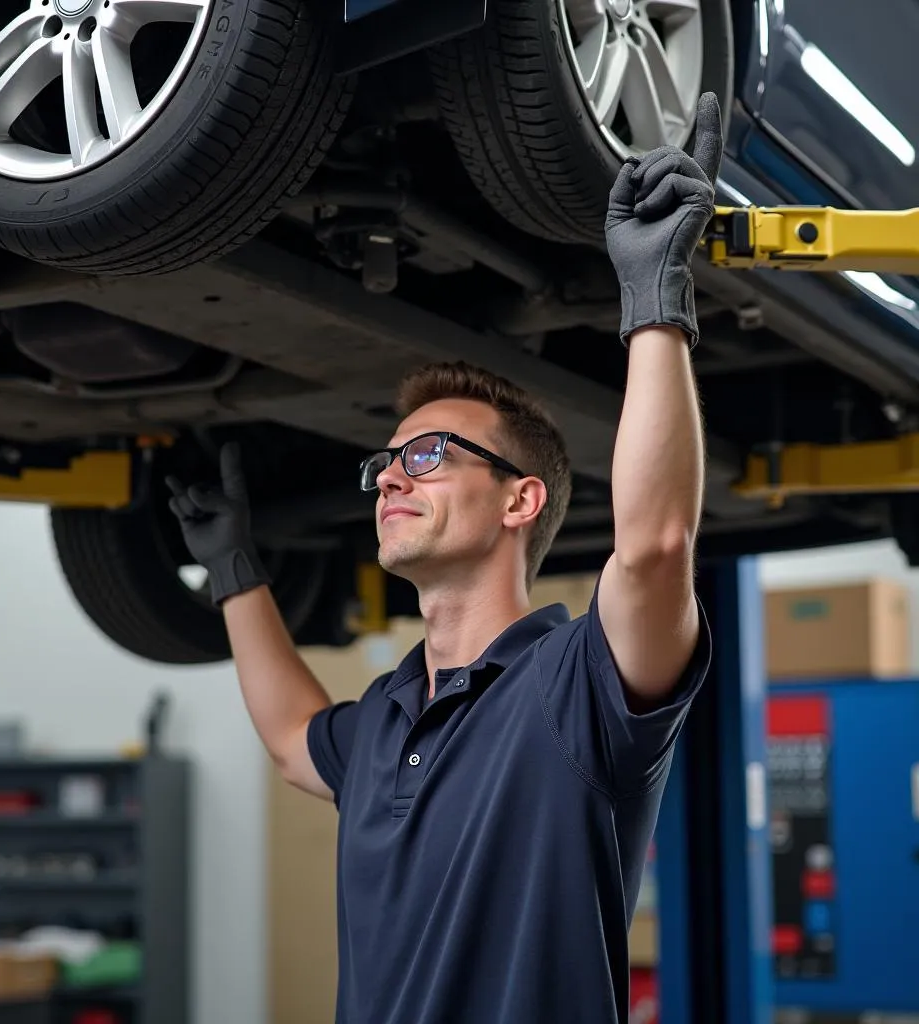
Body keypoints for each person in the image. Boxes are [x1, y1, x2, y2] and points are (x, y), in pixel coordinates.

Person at [166, 91, 724, 1024]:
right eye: (386, 461)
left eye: (426, 456)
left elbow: (658, 545)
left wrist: (655, 301)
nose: (389, 477)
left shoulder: (577, 686)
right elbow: (287, 733)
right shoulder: (389, 716)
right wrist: (234, 572)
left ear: (521, 498)